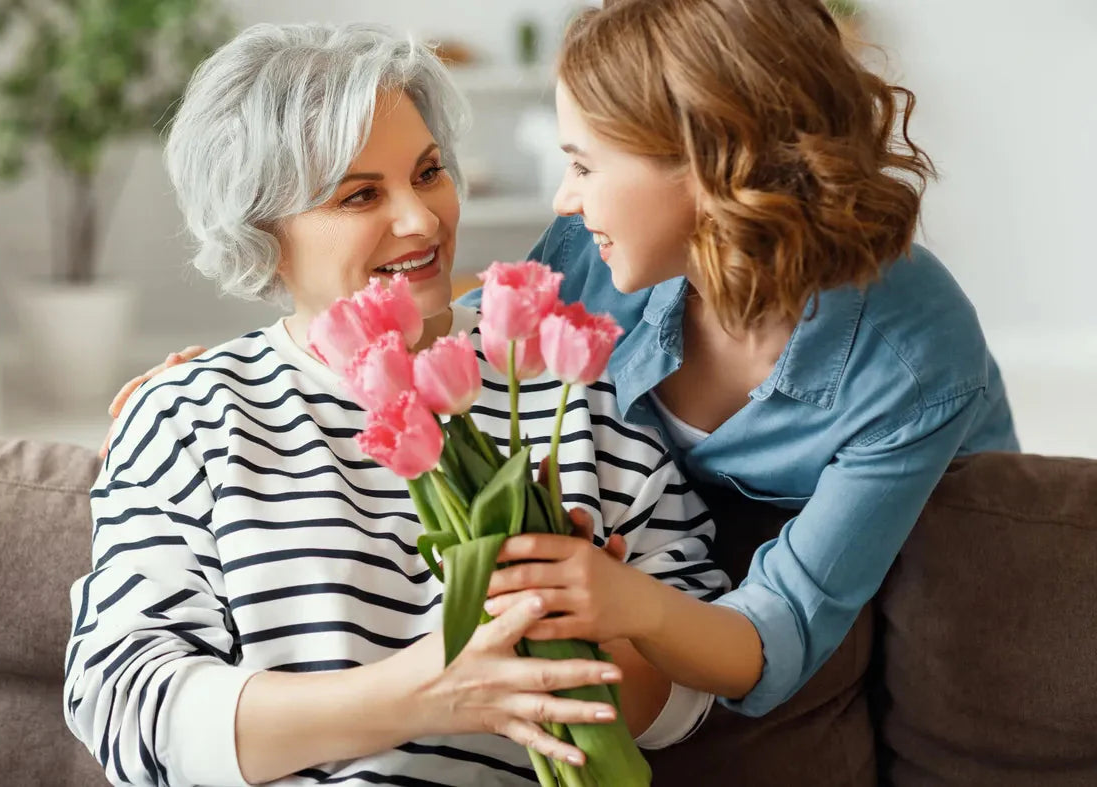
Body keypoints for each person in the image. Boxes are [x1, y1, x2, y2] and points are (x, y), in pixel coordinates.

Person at [111, 0, 1019, 724]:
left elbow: (780, 630)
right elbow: (479, 328)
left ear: (709, 167)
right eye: (360, 192)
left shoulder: (910, 355)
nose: (563, 196)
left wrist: (631, 602)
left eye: (583, 164)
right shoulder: (603, 257)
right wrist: (251, 372)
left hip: (892, 550)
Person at [67, 22, 729, 787]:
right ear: (262, 233)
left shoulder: (579, 387)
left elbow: (690, 692)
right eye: (360, 195)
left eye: (428, 172)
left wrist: (586, 630)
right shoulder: (192, 415)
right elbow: (124, 705)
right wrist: (428, 691)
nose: (421, 219)